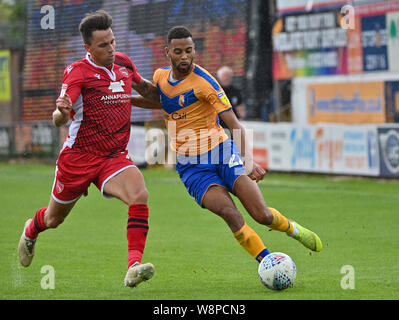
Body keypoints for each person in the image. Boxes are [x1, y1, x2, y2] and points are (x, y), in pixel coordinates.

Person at [131, 26, 322, 267]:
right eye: (178, 52)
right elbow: (163, 102)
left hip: (222, 152)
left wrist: (248, 161)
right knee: (229, 213)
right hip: (192, 167)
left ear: (194, 51)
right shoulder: (160, 77)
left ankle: (293, 229)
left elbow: (235, 125)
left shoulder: (206, 83)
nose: (184, 57)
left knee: (261, 215)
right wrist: (125, 100)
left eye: (189, 51)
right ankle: (268, 263)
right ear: (167, 52)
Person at [17, 10, 160, 288]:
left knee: (139, 195)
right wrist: (60, 113)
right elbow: (60, 114)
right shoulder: (77, 72)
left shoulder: (124, 64)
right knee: (54, 219)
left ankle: (133, 266)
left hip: (113, 156)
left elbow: (146, 92)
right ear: (88, 48)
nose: (111, 48)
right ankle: (31, 230)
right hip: (79, 157)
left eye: (113, 41)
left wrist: (179, 99)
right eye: (103, 45)